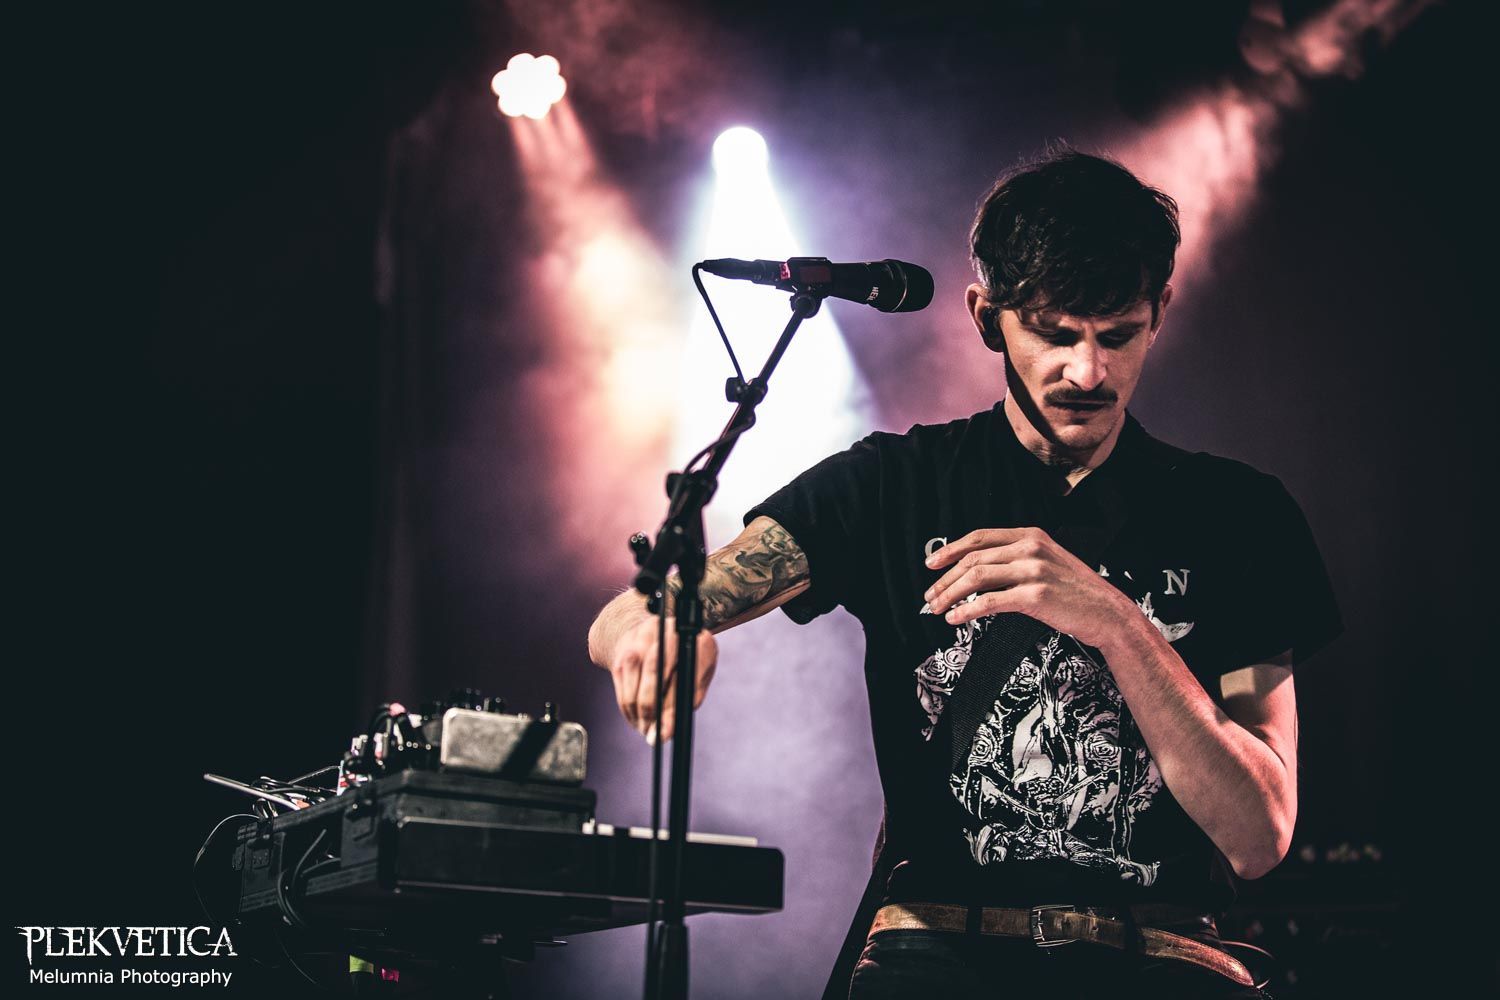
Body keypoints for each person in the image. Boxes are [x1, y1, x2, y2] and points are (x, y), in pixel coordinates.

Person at [587, 149, 1341, 999]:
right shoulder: (892, 485)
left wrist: (1115, 621)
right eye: (1054, 333)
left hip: (1161, 961)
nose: (1087, 372)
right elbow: (634, 611)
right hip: (939, 955)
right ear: (987, 317)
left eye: (1118, 335)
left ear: (1160, 311)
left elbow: (1258, 834)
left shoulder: (1240, 514)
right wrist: (650, 632)